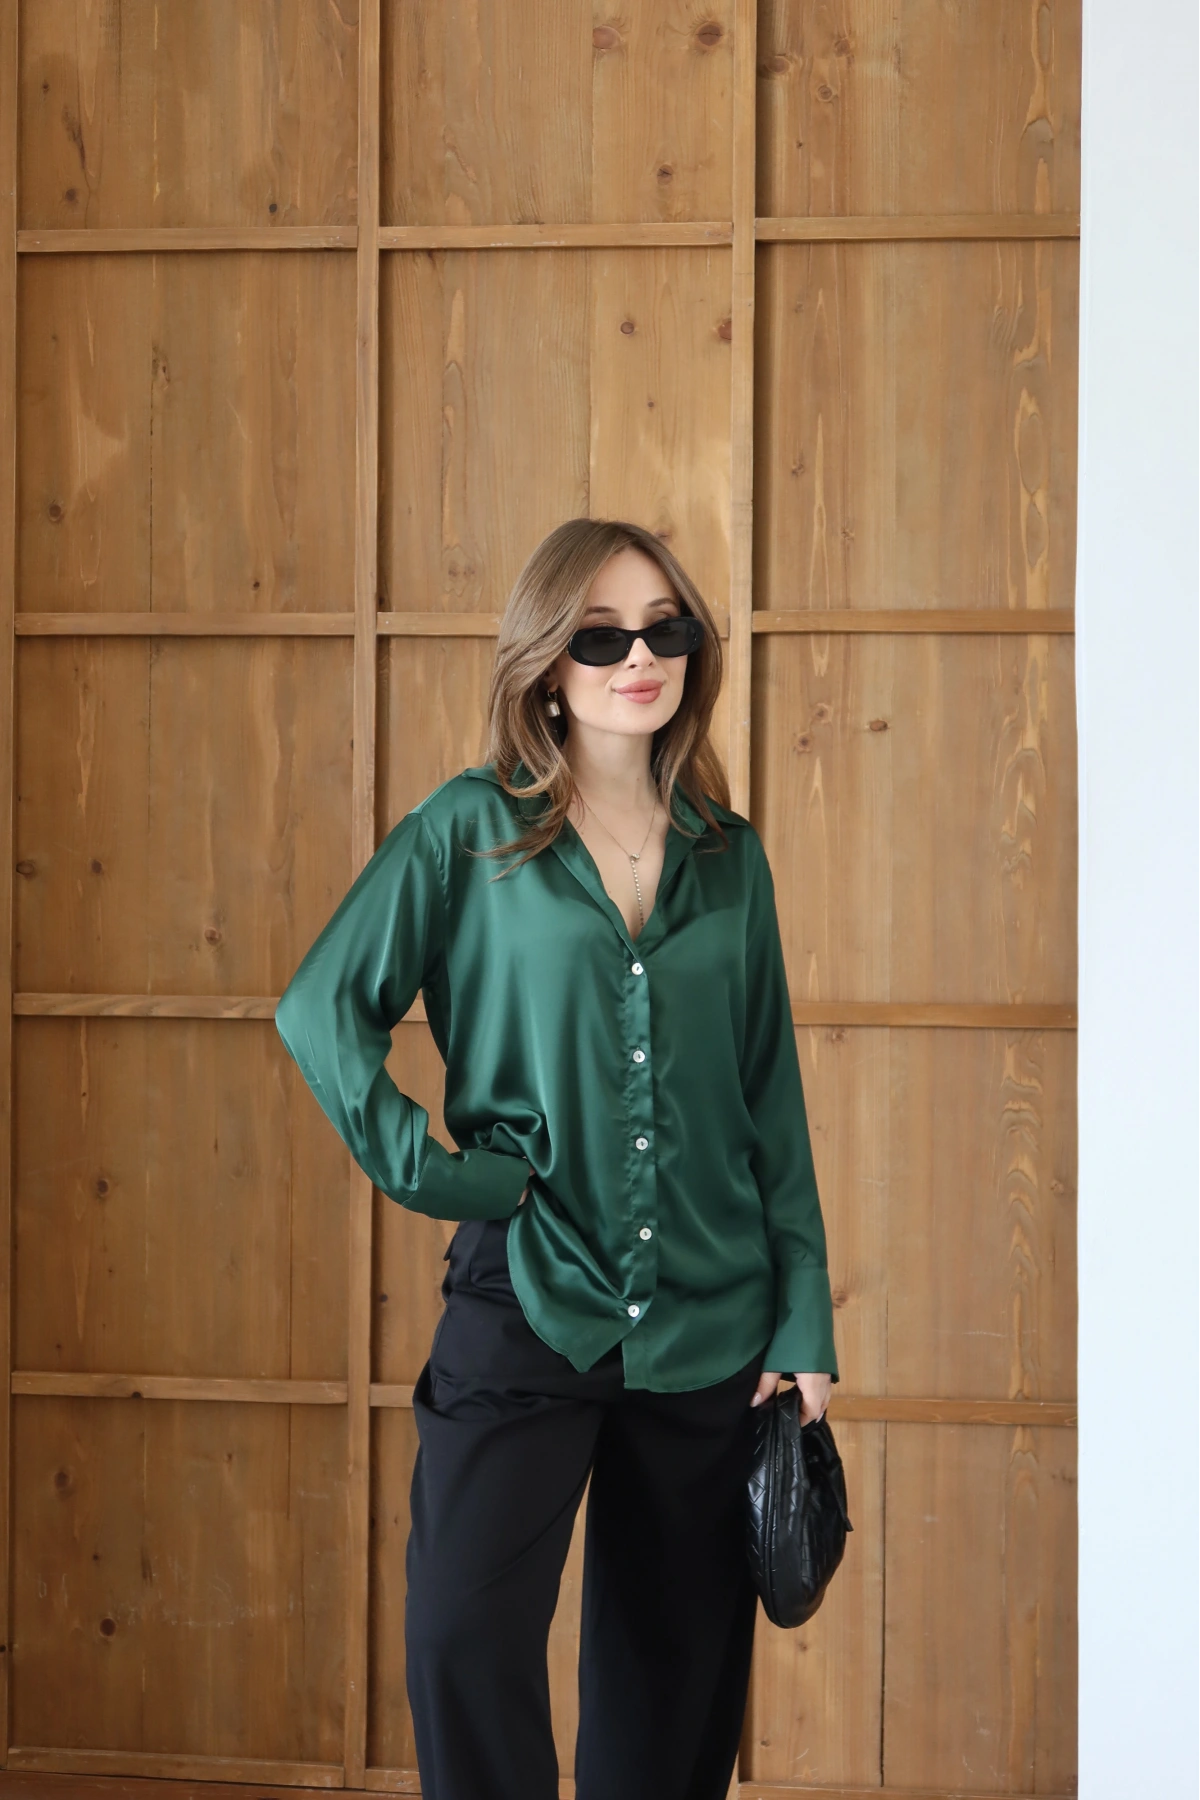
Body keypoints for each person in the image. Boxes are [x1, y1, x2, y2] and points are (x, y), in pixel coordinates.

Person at [274, 517, 840, 1800]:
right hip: (528, 1290)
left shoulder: (730, 858)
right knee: (462, 1636)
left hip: (712, 1314)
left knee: (674, 1677)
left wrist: (803, 1318)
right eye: (600, 636)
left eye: (664, 629)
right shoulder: (468, 831)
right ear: (544, 660)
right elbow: (320, 1009)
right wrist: (441, 1175)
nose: (639, 658)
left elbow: (770, 1100)